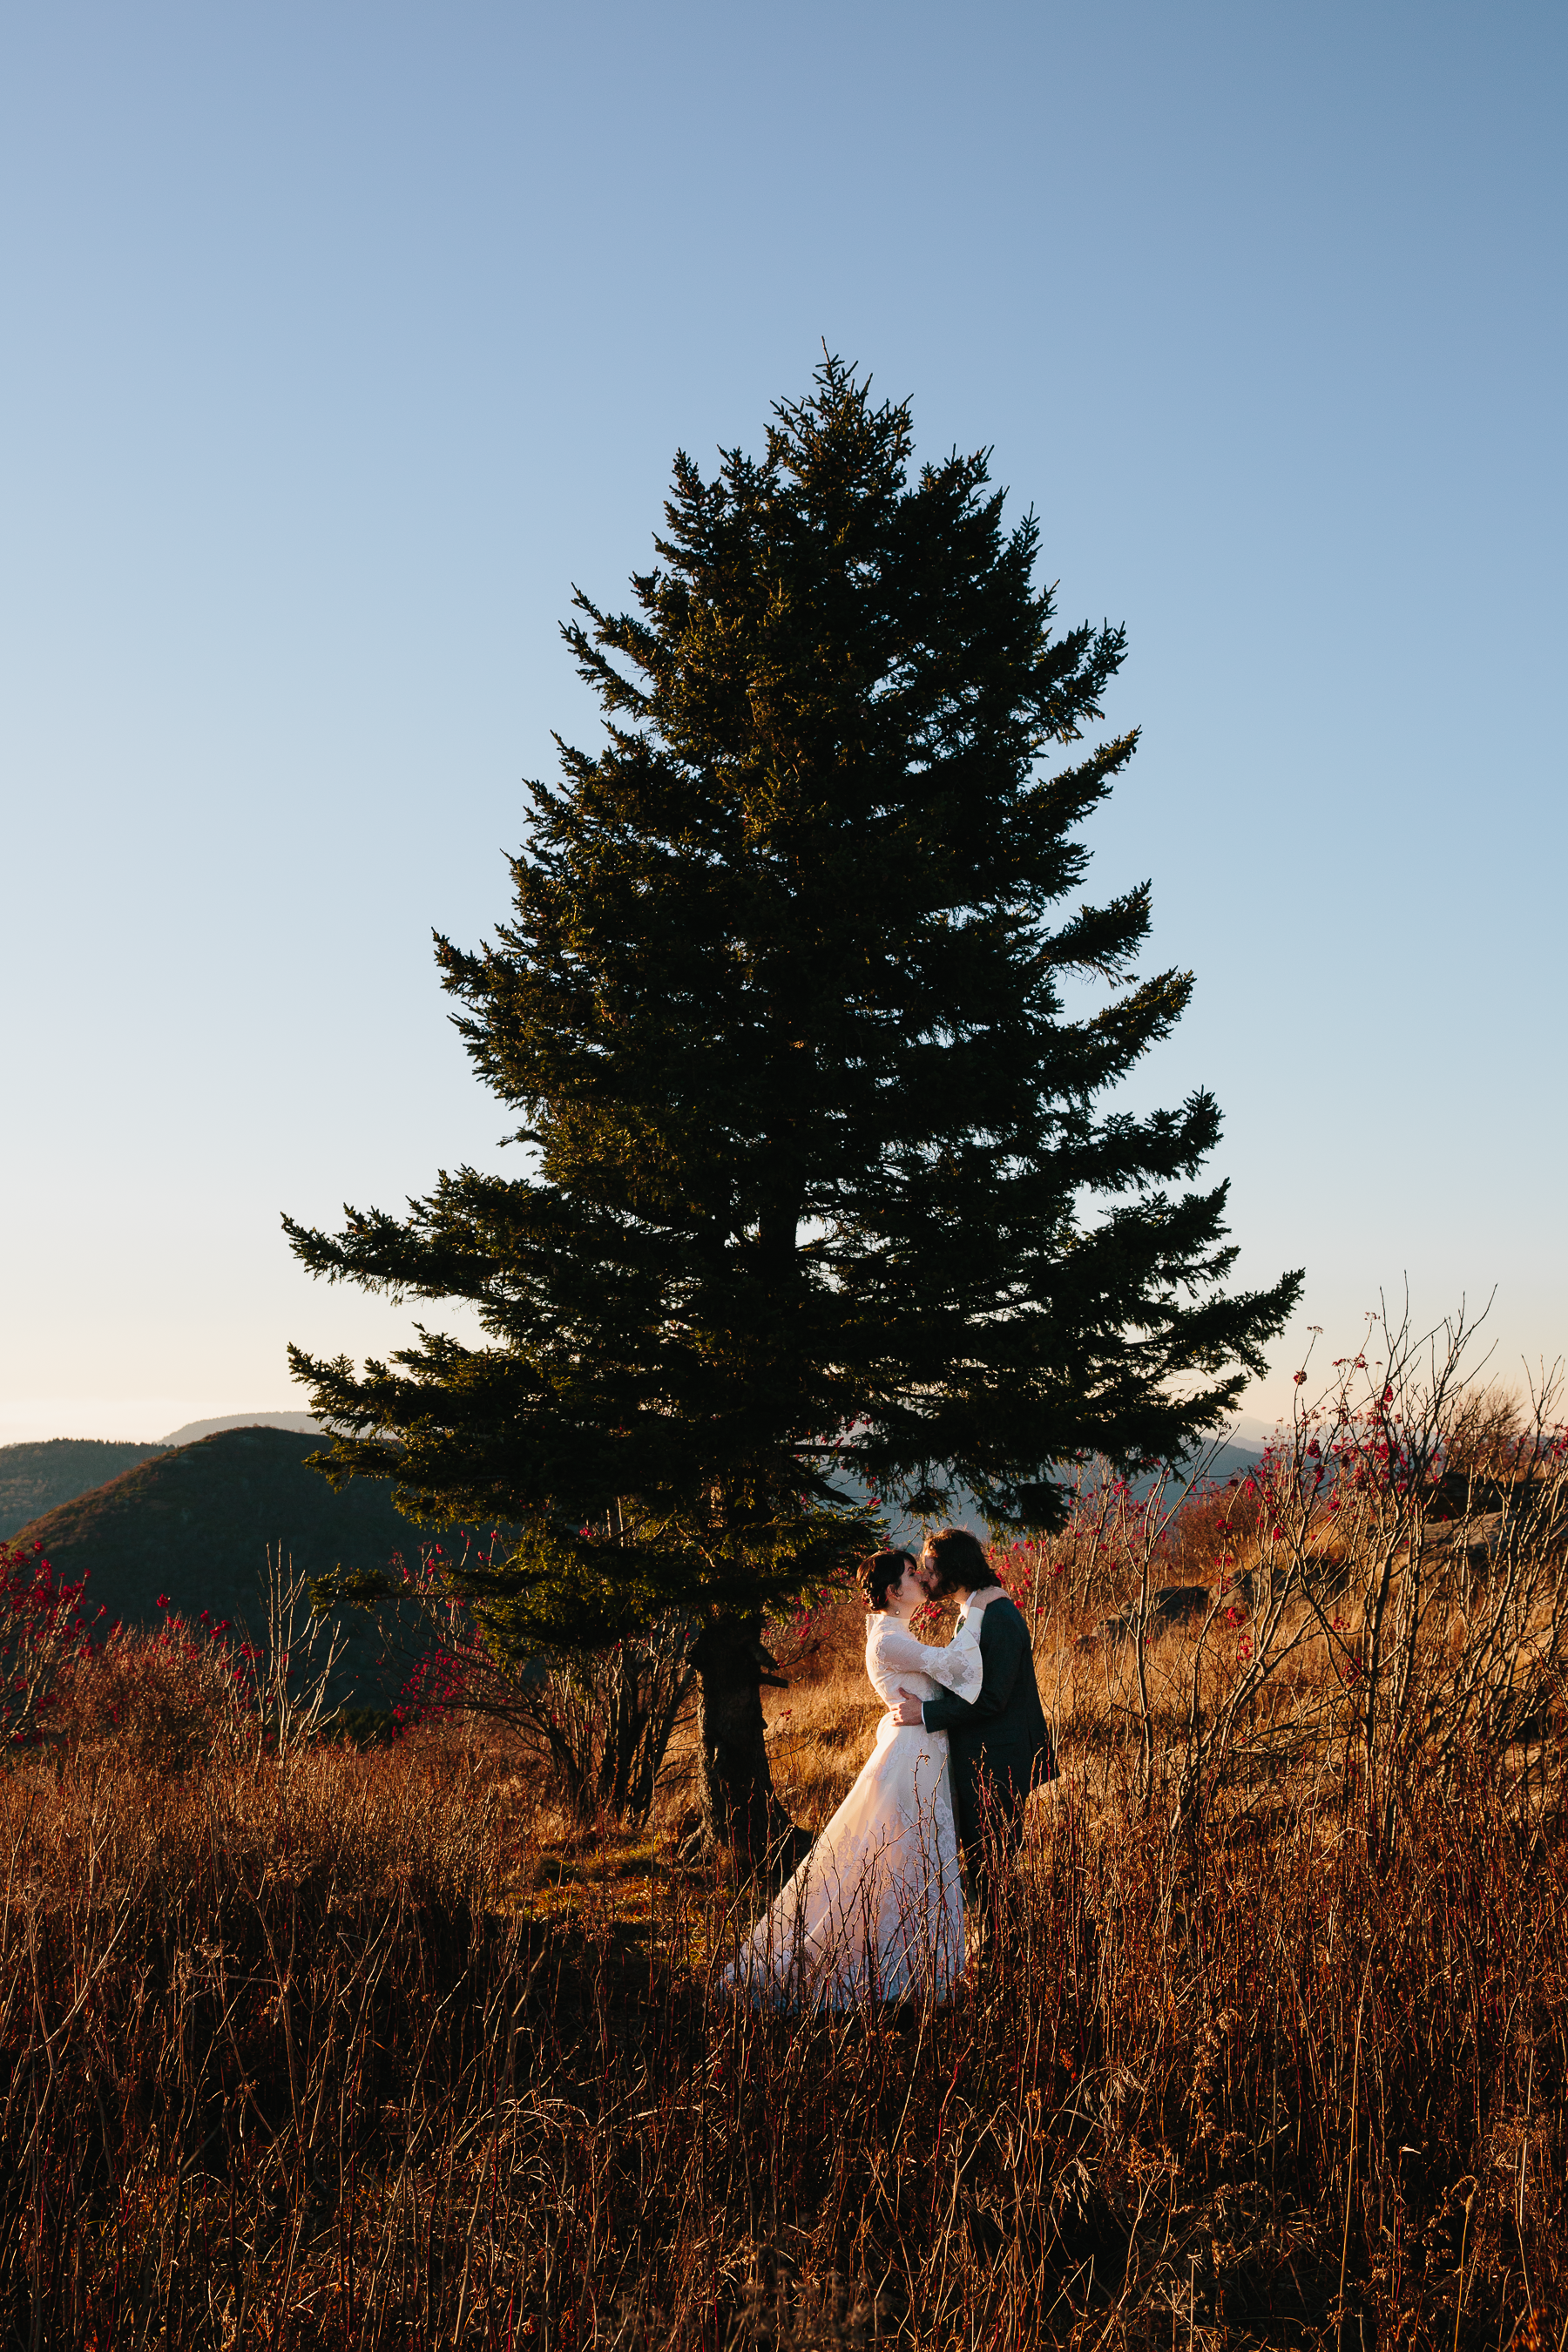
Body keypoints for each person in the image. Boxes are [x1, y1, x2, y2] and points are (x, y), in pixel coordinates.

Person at [722, 1548, 1003, 2009]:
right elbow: (961, 1669)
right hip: (912, 1761)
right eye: (912, 1574)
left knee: (915, 1866)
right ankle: (903, 1975)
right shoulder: (889, 1640)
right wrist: (978, 1607)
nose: (920, 1579)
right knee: (906, 1865)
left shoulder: (894, 1632)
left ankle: (922, 1972)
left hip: (921, 1756)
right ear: (894, 1592)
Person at [886, 1527, 1055, 1951]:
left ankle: (1003, 1955)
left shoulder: (998, 1616)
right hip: (982, 1758)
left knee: (991, 1863)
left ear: (953, 1569)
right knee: (982, 1862)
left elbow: (993, 1698)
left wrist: (926, 1713)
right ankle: (997, 1948)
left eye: (929, 1570)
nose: (924, 1579)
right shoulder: (974, 1610)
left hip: (1000, 1760)